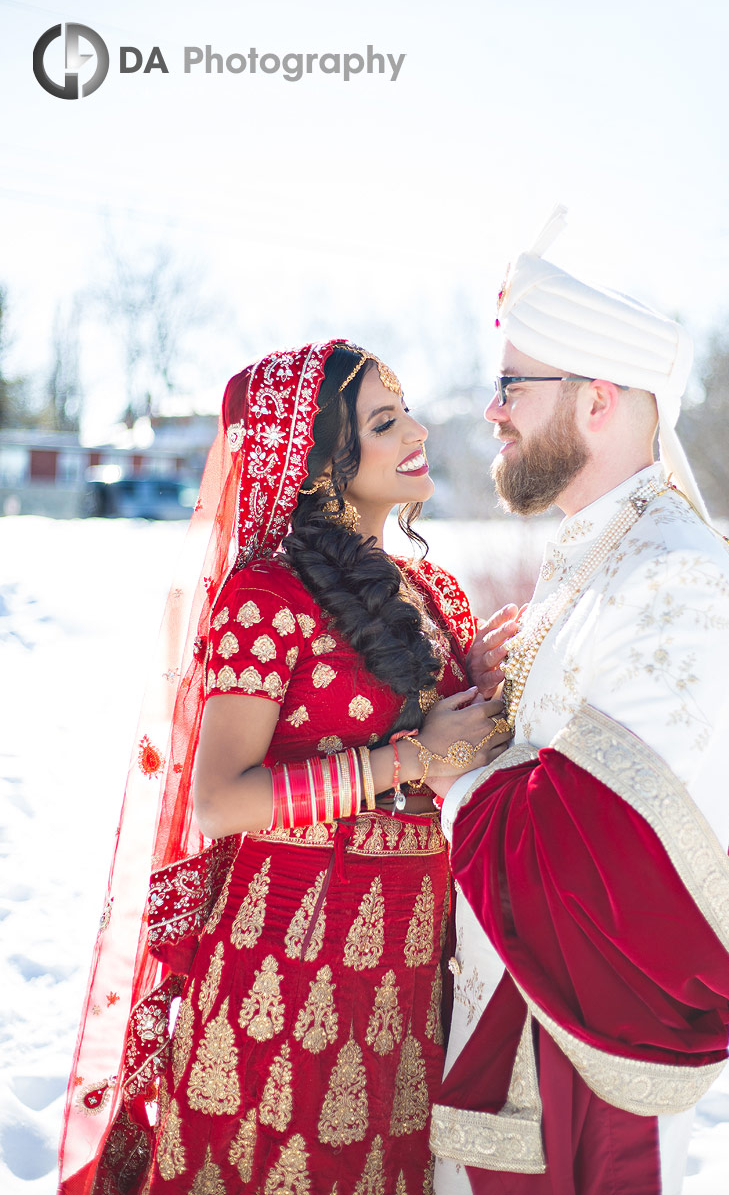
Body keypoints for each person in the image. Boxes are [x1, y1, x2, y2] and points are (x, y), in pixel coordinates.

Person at [58, 340, 516, 1195]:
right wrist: (408, 756)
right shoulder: (268, 596)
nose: (415, 431)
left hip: (412, 963)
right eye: (383, 423)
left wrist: (497, 685)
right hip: (291, 956)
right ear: (313, 467)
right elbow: (219, 801)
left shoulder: (430, 592)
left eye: (404, 409)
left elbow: (457, 754)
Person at [428, 210, 729, 1195]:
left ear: (599, 400)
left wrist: (444, 760)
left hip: (578, 1071)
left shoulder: (672, 574)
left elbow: (585, 850)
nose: (492, 412)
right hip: (513, 1026)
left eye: (511, 386)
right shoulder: (595, 553)